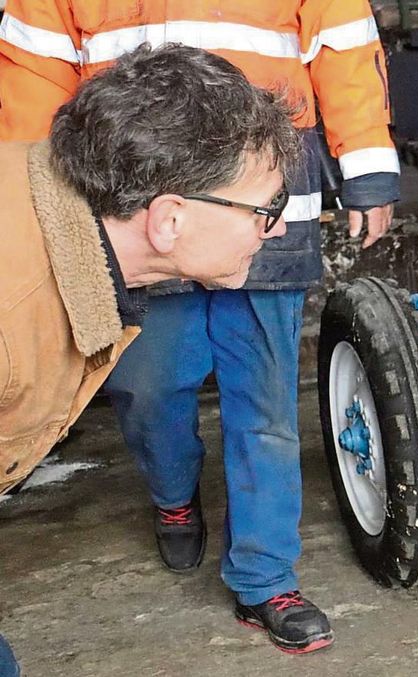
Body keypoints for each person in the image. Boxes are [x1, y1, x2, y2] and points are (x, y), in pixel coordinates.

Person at [0, 0, 402, 654]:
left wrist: (365, 157)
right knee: (149, 387)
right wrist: (31, 208)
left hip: (256, 201)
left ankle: (264, 574)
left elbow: (341, 34)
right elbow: (31, 68)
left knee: (265, 401)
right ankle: (173, 494)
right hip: (132, 206)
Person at [0, 43, 300, 670]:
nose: (275, 230)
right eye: (265, 209)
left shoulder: (49, 220)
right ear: (169, 220)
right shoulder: (14, 320)